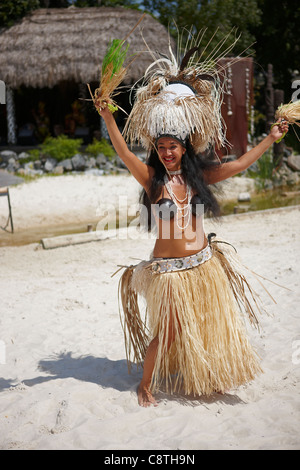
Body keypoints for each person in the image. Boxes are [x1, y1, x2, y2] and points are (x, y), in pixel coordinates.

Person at [99, 103, 288, 407]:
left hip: (203, 265)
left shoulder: (198, 177)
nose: (166, 152)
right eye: (161, 147)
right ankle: (144, 385)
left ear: (184, 148)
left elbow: (239, 165)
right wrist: (108, 117)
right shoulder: (151, 179)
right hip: (169, 272)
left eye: (172, 146)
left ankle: (209, 376)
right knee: (169, 331)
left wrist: (270, 138)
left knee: (207, 324)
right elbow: (124, 153)